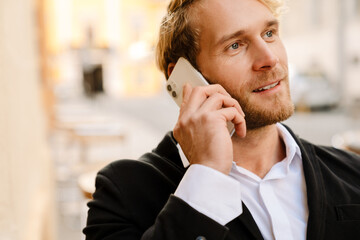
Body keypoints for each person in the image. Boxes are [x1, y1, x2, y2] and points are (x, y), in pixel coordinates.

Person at [83, 0, 360, 239]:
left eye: (269, 33)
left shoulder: (352, 173)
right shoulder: (122, 193)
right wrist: (206, 176)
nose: (269, 58)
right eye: (235, 45)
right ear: (183, 78)